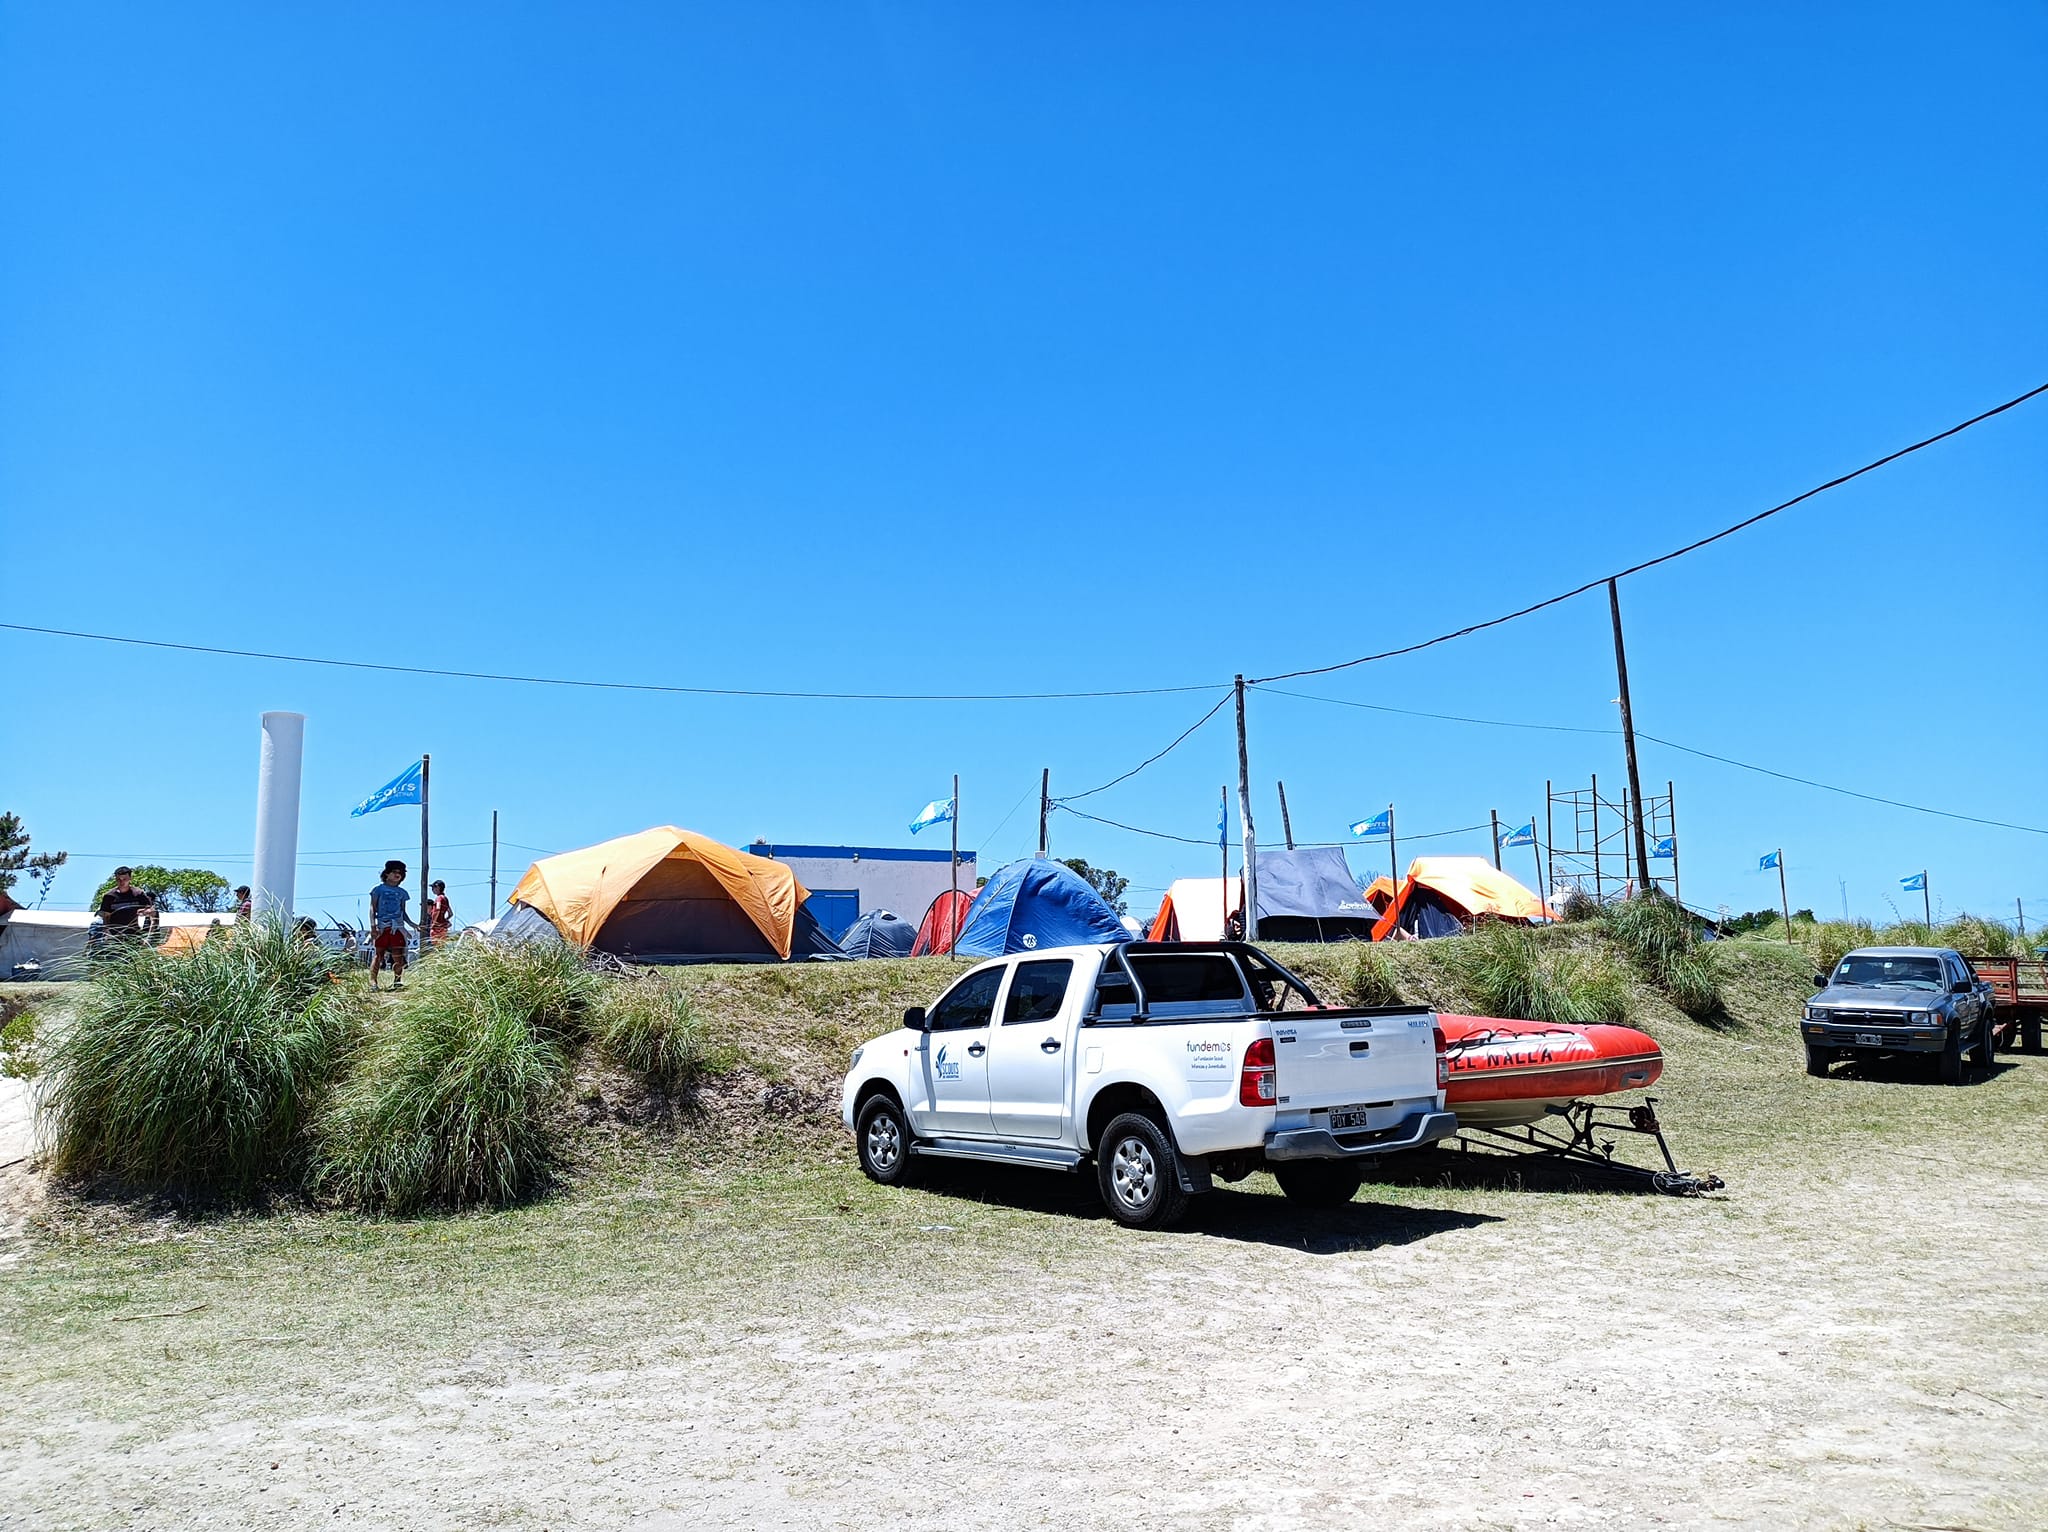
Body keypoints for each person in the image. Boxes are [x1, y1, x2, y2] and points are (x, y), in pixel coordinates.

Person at [368, 859, 419, 991]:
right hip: (382, 926)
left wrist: (411, 923)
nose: (397, 875)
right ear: (387, 873)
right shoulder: (378, 890)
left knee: (398, 954)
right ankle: (373, 982)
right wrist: (373, 926)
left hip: (397, 926)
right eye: (394, 872)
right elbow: (372, 908)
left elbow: (403, 911)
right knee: (378, 954)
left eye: (400, 873)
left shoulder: (402, 893)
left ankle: (397, 981)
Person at [97, 866, 157, 944]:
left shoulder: (138, 894)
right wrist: (107, 934)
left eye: (124, 879)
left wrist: (148, 936)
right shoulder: (109, 896)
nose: (122, 882)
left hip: (134, 935)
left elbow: (152, 913)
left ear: (130, 878)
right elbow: (105, 917)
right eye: (119, 879)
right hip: (114, 937)